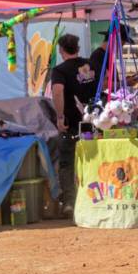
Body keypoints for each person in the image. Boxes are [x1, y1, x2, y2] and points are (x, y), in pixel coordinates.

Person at [49, 34, 94, 211]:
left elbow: (58, 92)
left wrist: (59, 117)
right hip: (92, 121)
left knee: (67, 161)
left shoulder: (60, 70)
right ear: (77, 48)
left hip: (69, 123)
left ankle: (70, 201)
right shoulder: (90, 65)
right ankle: (92, 197)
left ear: (61, 50)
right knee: (90, 158)